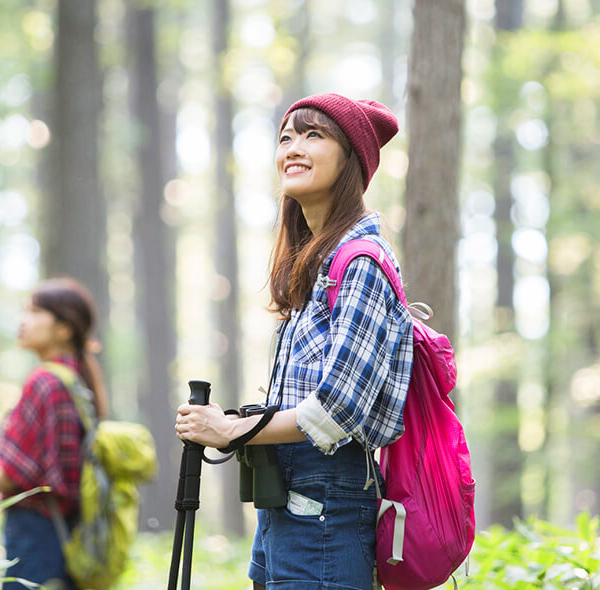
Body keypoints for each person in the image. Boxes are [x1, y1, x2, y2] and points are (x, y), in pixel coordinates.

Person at [175, 93, 414, 590]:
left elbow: (339, 408)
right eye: (286, 137)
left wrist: (231, 432)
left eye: (313, 135)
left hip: (327, 504)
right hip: (291, 501)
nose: (293, 148)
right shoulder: (320, 264)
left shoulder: (361, 262)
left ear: (352, 159)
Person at [0, 277, 108, 590]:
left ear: (63, 329)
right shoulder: (76, 383)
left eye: (35, 312)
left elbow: (19, 473)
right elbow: (44, 483)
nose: (23, 321)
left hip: (34, 539)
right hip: (67, 534)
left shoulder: (44, 382)